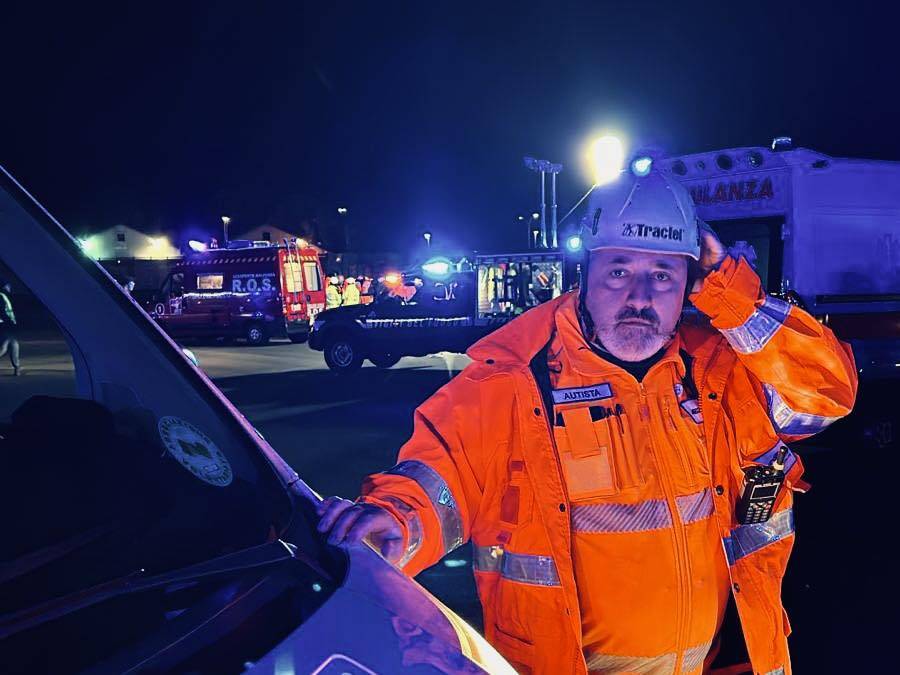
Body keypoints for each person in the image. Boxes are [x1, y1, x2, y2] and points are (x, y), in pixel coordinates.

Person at [317, 167, 857, 674]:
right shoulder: (514, 382)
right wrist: (398, 521)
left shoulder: (719, 372)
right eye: (619, 270)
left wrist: (730, 292)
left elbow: (826, 392)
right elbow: (442, 476)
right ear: (585, 275)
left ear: (692, 284)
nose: (639, 297)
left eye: (663, 275)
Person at [0, 280, 21, 376]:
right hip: (4, 325)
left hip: (6, 325)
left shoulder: (4, 296)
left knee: (13, 344)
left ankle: (17, 367)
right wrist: (9, 321)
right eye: (8, 286)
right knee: (5, 346)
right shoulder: (1, 296)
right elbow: (3, 311)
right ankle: (17, 367)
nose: (10, 288)